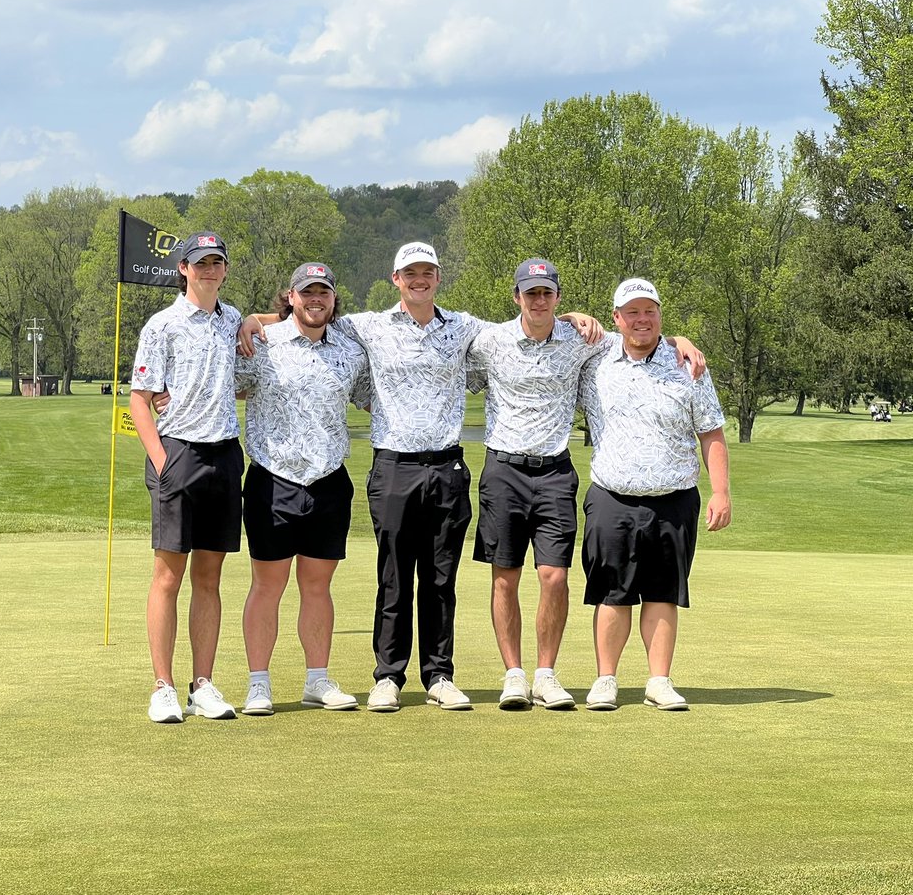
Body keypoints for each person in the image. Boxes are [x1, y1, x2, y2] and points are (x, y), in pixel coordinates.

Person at [240, 242, 603, 712]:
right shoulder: (365, 327)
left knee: (439, 579)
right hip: (393, 465)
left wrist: (573, 315)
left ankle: (438, 674)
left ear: (437, 276)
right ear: (396, 279)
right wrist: (256, 319)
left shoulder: (466, 329)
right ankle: (388, 676)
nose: (419, 279)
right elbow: (309, 318)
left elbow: (529, 326)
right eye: (410, 272)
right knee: (393, 578)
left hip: (447, 467)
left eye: (427, 271)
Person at [467, 259, 705, 711]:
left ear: (558, 297)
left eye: (547, 293)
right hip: (502, 469)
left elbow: (640, 338)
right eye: (530, 293)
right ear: (516, 296)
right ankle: (514, 675)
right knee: (505, 578)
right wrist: (285, 317)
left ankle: (546, 675)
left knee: (555, 577)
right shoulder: (489, 339)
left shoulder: (583, 341)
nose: (539, 300)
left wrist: (678, 340)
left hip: (555, 471)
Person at [578, 277, 731, 712]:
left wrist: (721, 491)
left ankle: (658, 681)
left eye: (649, 311)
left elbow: (711, 430)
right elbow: (556, 325)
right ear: (616, 319)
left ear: (660, 314)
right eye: (632, 312)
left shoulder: (688, 364)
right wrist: (573, 316)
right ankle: (606, 679)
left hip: (674, 497)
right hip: (612, 495)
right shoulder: (596, 357)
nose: (641, 319)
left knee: (663, 593)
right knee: (612, 592)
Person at [233, 263, 370, 716]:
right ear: (290, 297)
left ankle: (317, 679)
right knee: (267, 586)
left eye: (323, 293)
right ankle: (258, 683)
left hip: (329, 481)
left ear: (333, 299)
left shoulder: (349, 351)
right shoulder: (261, 344)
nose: (316, 299)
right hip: (273, 479)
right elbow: (225, 386)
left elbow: (373, 395)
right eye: (306, 292)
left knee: (318, 587)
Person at [129, 231, 243, 724]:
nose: (210, 270)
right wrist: (161, 461)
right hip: (178, 455)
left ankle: (203, 684)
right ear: (184, 268)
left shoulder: (232, 318)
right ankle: (163, 686)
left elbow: (263, 321)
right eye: (201, 263)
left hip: (224, 457)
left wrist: (255, 324)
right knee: (168, 576)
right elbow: (139, 398)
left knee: (210, 577)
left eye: (217, 262)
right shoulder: (163, 324)